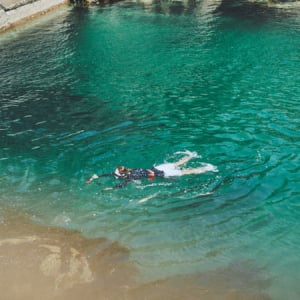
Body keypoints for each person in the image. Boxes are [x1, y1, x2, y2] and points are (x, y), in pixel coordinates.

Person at [86, 151, 217, 189]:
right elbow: (112, 175)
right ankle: (191, 155)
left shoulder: (132, 177)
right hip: (159, 167)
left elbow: (122, 184)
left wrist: (111, 189)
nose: (114, 173)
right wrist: (96, 177)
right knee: (177, 163)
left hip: (163, 173)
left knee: (187, 172)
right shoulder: (131, 171)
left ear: (122, 174)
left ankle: (208, 168)